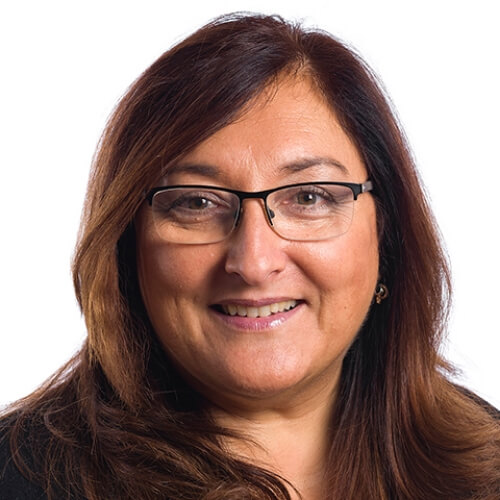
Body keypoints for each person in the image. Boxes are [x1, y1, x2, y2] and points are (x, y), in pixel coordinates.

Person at [0, 13, 498, 500]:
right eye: (197, 203)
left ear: (385, 234)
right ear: (127, 246)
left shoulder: (486, 463)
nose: (254, 263)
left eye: (309, 197)